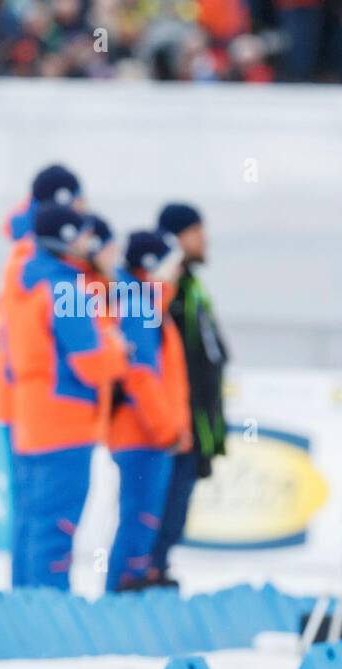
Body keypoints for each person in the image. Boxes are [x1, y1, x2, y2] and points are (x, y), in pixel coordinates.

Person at [7, 203, 127, 590]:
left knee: (33, 524)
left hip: (31, 417)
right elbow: (91, 362)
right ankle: (46, 617)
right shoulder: (65, 287)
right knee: (57, 527)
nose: (89, 244)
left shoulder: (25, 279)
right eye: (82, 235)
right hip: (66, 420)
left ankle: (24, 608)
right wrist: (119, 351)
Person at [0, 163, 85, 587]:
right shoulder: (44, 264)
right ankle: (42, 612)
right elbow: (82, 348)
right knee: (48, 520)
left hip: (21, 400)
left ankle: (26, 607)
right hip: (44, 403)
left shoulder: (22, 255)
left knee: (32, 514)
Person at [101, 225, 192, 591]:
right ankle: (121, 593)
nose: (178, 271)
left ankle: (129, 588)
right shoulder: (138, 306)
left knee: (142, 520)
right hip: (141, 435)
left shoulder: (146, 303)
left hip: (146, 434)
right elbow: (141, 378)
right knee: (139, 521)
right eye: (172, 263)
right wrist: (167, 430)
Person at [149, 202, 228, 587]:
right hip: (172, 426)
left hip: (193, 424)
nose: (205, 239)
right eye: (198, 232)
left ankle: (157, 572)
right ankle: (144, 578)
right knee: (156, 513)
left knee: (174, 514)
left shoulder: (192, 286)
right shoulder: (163, 287)